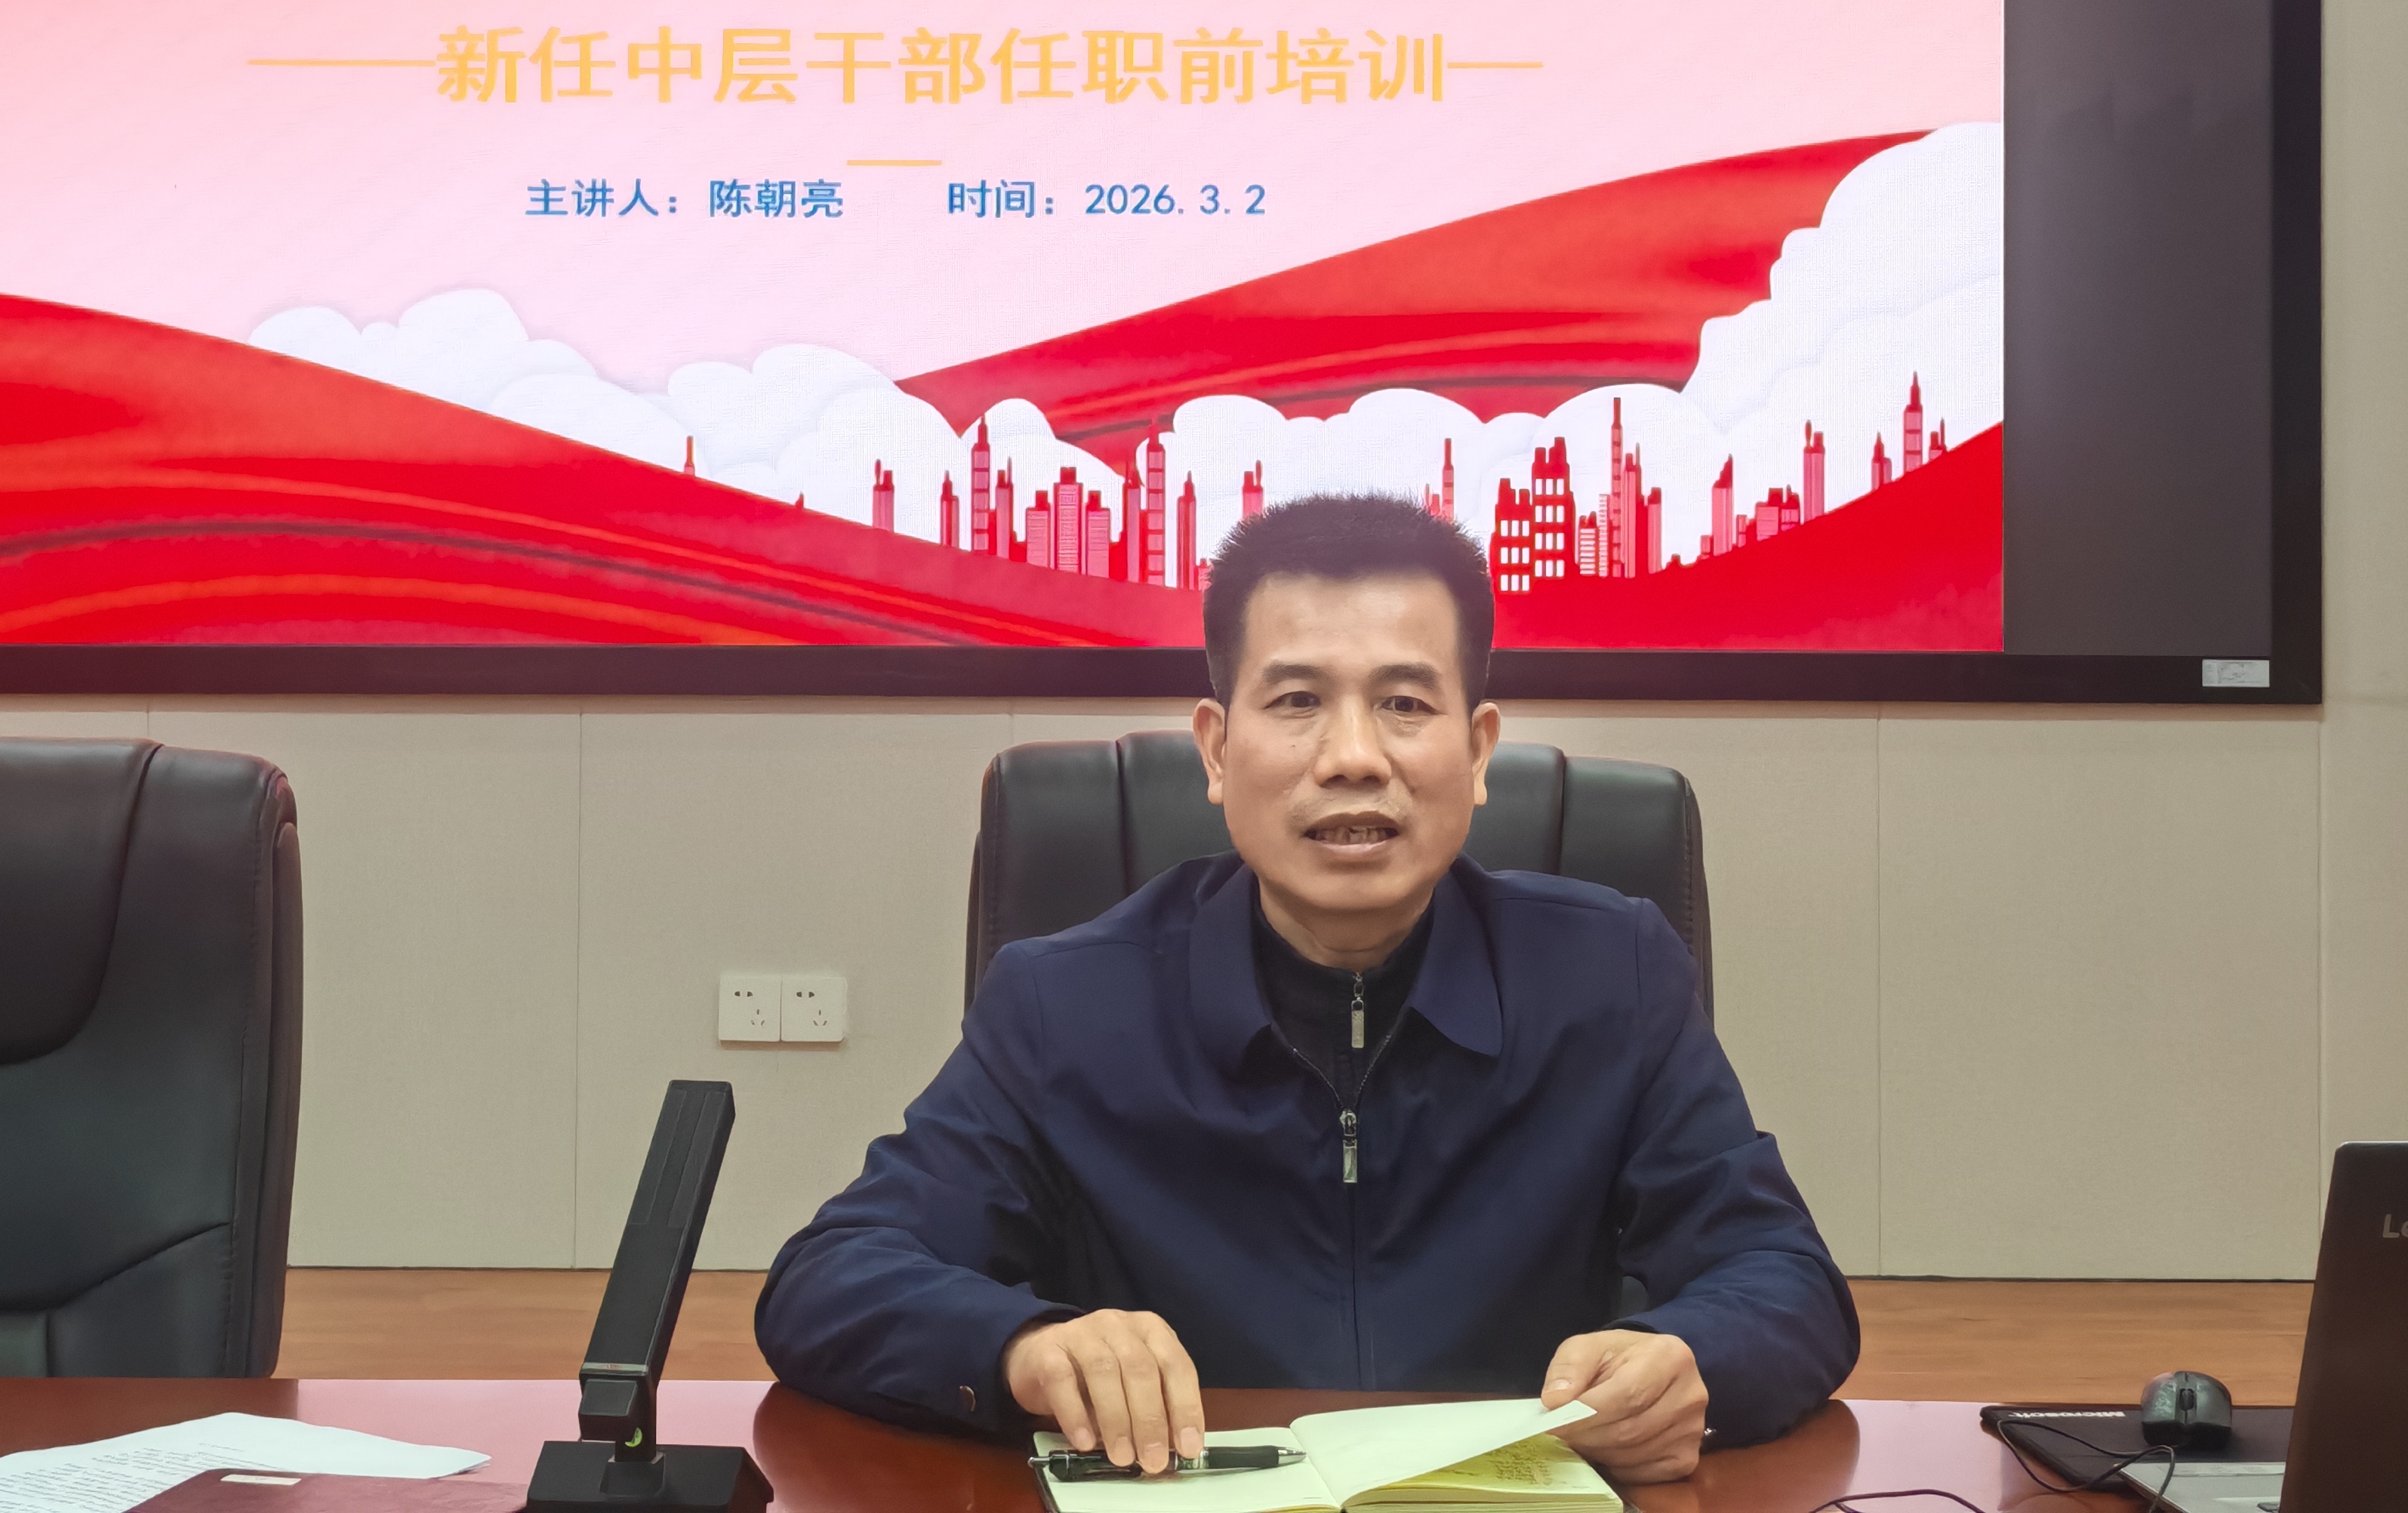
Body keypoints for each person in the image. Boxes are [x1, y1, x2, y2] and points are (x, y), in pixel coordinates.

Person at [753, 492, 1855, 1485]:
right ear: (1217, 749)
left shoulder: (1612, 975)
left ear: (1479, 753)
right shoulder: (1062, 1005)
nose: (1353, 757)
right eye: (1296, 700)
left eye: (1405, 704)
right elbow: (830, 1279)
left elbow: (1785, 1277)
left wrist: (1690, 1360)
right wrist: (1022, 1347)